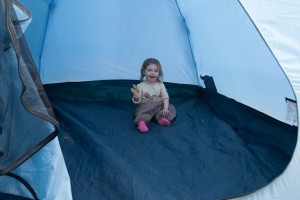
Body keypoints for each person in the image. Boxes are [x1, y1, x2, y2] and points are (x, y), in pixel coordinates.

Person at [131, 58, 176, 133]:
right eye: (149, 70)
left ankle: (161, 118)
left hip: (158, 105)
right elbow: (137, 102)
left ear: (159, 73)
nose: (153, 73)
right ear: (144, 72)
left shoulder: (160, 84)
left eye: (156, 71)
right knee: (141, 111)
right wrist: (136, 97)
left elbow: (165, 96)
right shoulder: (140, 86)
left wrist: (165, 108)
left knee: (171, 107)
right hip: (146, 106)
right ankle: (141, 123)